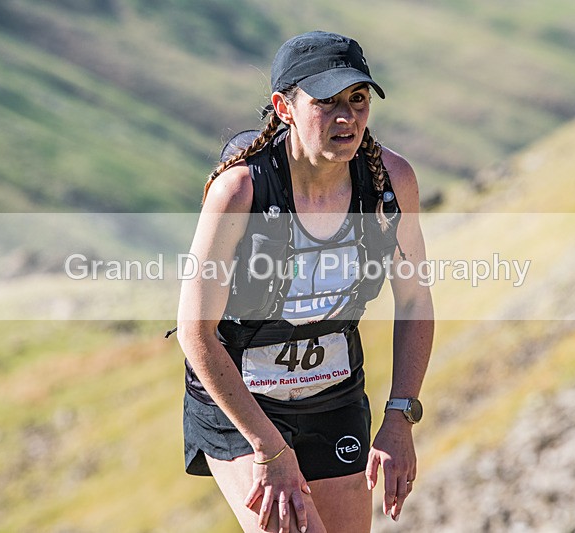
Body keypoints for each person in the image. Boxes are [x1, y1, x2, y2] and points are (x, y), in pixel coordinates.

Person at [177, 30, 434, 532]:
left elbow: (415, 301)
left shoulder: (391, 182)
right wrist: (269, 449)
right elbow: (195, 333)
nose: (347, 118)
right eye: (327, 103)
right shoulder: (240, 192)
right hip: (243, 402)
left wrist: (400, 416)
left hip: (333, 398)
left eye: (358, 100)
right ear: (285, 107)